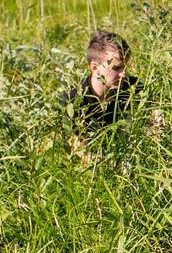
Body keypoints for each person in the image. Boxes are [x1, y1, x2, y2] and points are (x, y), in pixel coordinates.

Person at [62, 30, 158, 159]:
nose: (123, 74)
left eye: (125, 67)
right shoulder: (73, 101)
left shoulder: (135, 88)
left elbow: (156, 122)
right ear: (94, 68)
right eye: (116, 68)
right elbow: (76, 148)